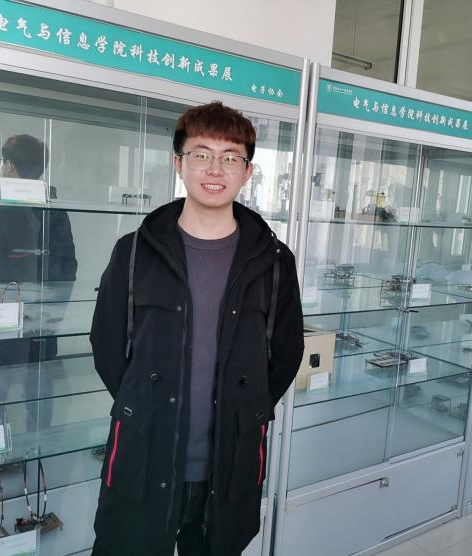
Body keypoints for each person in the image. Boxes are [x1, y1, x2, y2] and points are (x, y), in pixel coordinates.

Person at [90, 102, 304, 556]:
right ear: (179, 163)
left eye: (231, 157)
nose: (215, 169)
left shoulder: (274, 261)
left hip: (230, 462)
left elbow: (285, 355)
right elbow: (107, 346)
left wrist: (244, 409)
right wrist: (145, 405)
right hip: (144, 453)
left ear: (248, 172)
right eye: (201, 154)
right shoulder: (134, 251)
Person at [0, 133, 77, 431]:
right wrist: (54, 312)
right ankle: (37, 446)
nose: (1, 167)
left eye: (3, 161)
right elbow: (67, 265)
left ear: (10, 165)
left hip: (7, 314)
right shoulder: (53, 207)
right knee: (37, 388)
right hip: (38, 316)